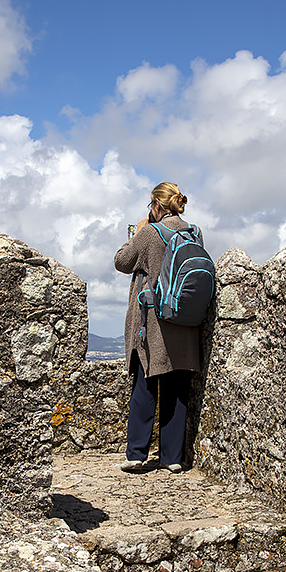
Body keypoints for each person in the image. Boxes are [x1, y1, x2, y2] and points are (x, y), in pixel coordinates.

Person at [114, 181, 202, 473]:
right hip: (185, 322)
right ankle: (172, 458)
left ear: (155, 206)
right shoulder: (194, 232)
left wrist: (138, 231)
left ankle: (137, 454)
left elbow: (122, 261)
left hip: (153, 322)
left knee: (146, 382)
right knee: (177, 387)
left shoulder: (150, 232)